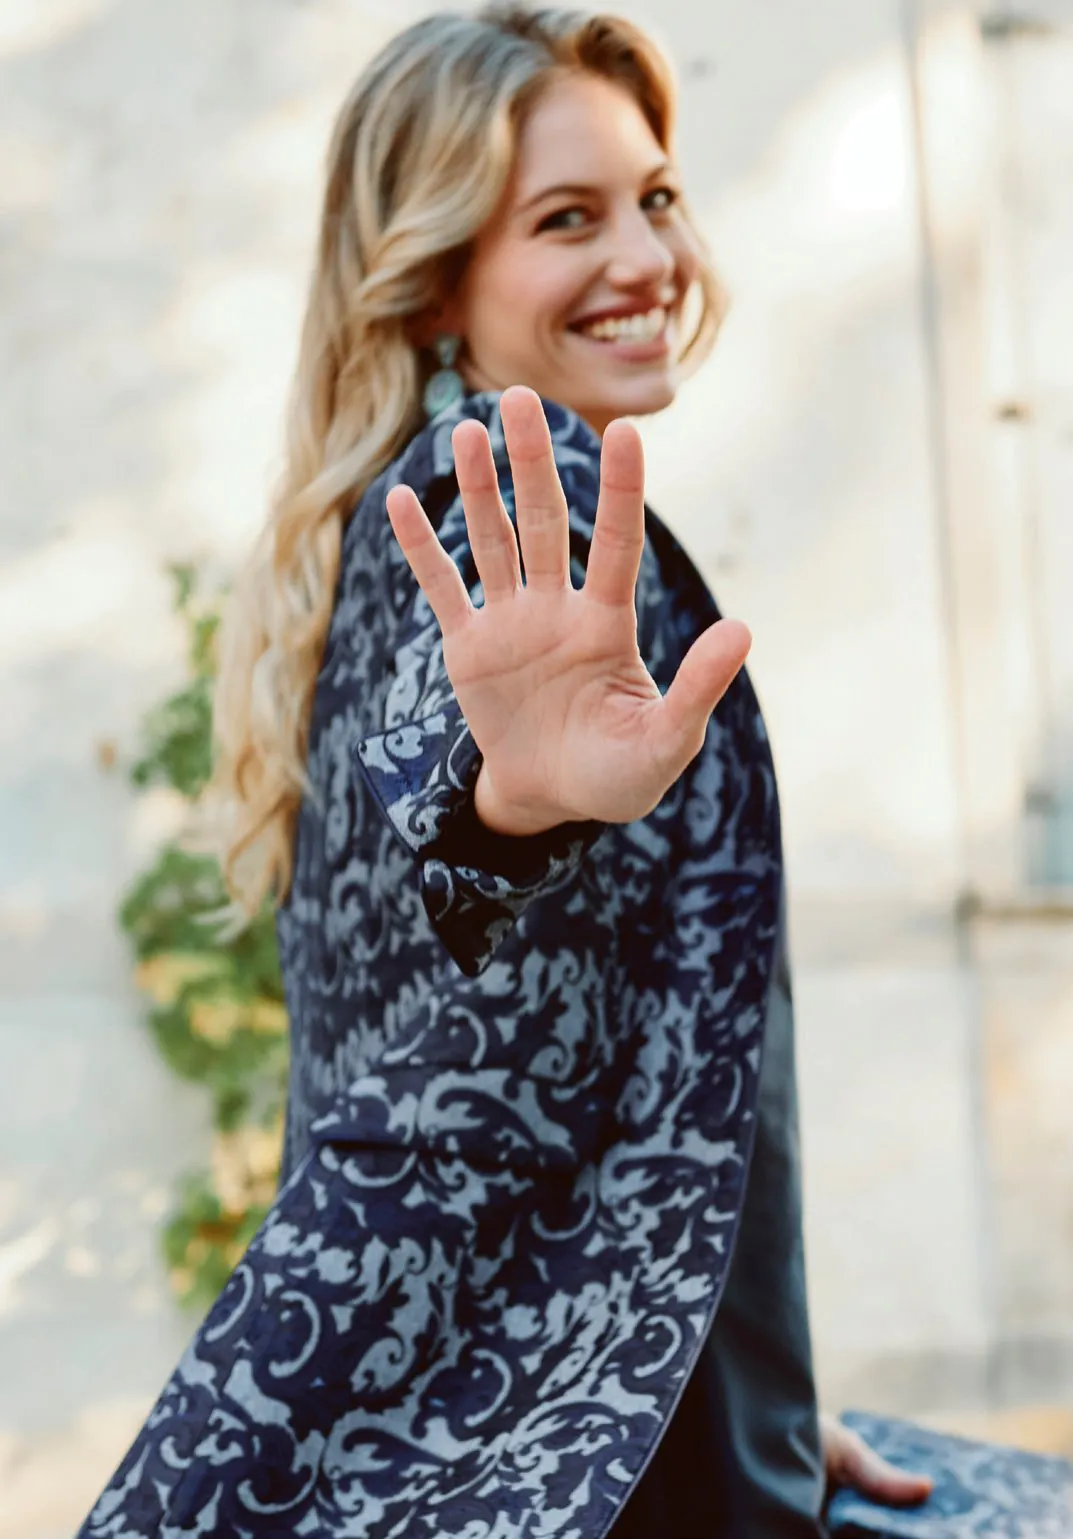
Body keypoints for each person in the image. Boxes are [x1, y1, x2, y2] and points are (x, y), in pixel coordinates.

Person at [77, 7, 934, 1536]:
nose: (646, 256)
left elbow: (644, 1068)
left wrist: (758, 1399)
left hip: (573, 1416)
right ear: (429, 290)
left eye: (654, 197)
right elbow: (451, 829)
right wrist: (510, 807)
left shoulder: (524, 512)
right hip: (512, 1459)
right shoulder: (480, 507)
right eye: (564, 219)